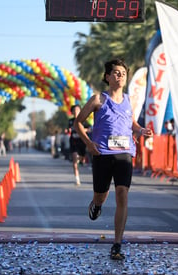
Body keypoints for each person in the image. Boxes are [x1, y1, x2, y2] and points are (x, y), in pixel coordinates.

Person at [74, 58, 152, 260]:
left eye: (123, 73)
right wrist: (89, 144)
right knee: (101, 195)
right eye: (116, 73)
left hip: (124, 153)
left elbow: (131, 122)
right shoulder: (98, 99)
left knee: (122, 193)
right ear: (107, 77)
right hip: (101, 154)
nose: (120, 76)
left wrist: (141, 130)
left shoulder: (129, 100)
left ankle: (117, 244)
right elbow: (78, 123)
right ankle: (97, 204)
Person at [69, 104, 90, 186]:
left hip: (82, 142)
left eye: (77, 110)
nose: (75, 112)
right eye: (74, 110)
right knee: (74, 160)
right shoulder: (71, 121)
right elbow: (70, 129)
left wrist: (82, 130)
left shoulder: (84, 121)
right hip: (74, 142)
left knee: (81, 158)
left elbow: (90, 128)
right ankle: (77, 179)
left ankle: (81, 159)